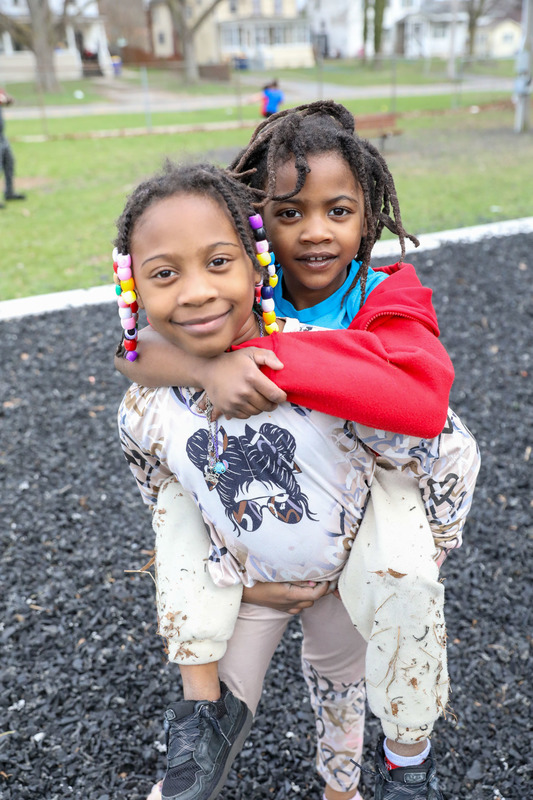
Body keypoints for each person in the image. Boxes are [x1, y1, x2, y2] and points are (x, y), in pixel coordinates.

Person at [114, 158, 479, 800]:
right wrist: (226, 565)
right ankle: (191, 750)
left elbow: (446, 443)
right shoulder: (147, 403)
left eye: (218, 263)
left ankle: (349, 787)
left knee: (342, 687)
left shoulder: (326, 367)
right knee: (203, 744)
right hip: (243, 585)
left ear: (258, 266)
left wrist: (429, 546)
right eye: (165, 275)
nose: (196, 291)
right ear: (133, 289)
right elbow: (157, 482)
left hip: (338, 573)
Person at [0, 88, 26, 208]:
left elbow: (9, 101)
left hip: (2, 137)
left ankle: (9, 192)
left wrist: (6, 99)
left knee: (9, 163)